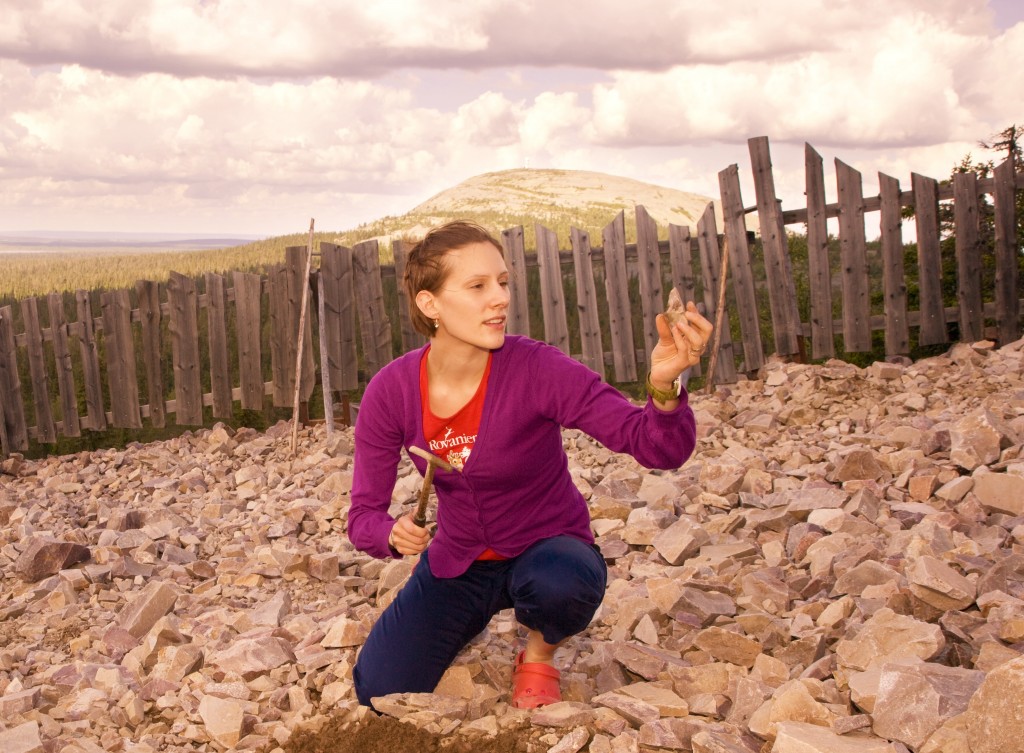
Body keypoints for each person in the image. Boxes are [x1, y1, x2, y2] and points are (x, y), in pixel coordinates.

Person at [347, 220, 711, 709]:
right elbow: (362, 517)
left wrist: (665, 387)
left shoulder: (537, 368)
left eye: (502, 282)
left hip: (547, 550)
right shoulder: (390, 391)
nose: (499, 298)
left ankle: (539, 650)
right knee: (380, 691)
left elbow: (652, 445)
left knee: (562, 583)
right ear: (429, 304)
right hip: (460, 561)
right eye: (477, 286)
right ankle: (470, 618)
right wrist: (389, 534)